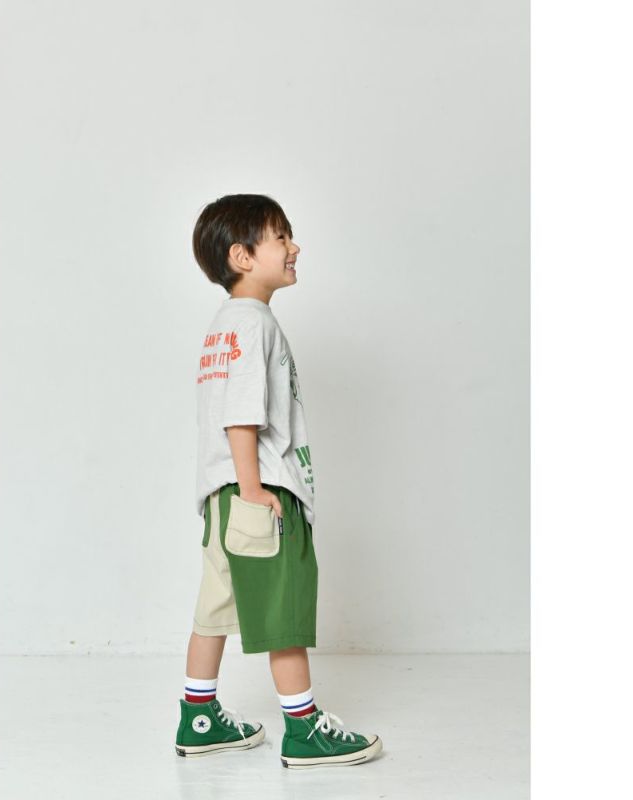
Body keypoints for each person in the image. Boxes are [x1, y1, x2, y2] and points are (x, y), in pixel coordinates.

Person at [175, 193, 383, 768]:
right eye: (281, 237)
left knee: (214, 609)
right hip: (256, 489)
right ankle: (303, 728)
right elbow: (241, 415)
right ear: (242, 256)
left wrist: (236, 491)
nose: (295, 247)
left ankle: (198, 718)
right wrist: (254, 489)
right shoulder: (253, 322)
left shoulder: (226, 325)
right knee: (284, 612)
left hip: (221, 497)